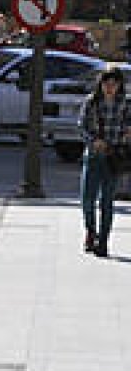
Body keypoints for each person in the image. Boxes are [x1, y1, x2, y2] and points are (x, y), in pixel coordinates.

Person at [77, 67, 131, 257]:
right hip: (93, 156)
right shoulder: (91, 102)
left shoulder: (125, 103)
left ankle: (104, 241)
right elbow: (81, 126)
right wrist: (93, 141)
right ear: (100, 85)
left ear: (119, 86)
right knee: (87, 199)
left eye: (113, 84)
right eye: (106, 84)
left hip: (113, 158)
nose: (109, 88)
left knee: (107, 202)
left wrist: (127, 134)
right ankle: (91, 232)